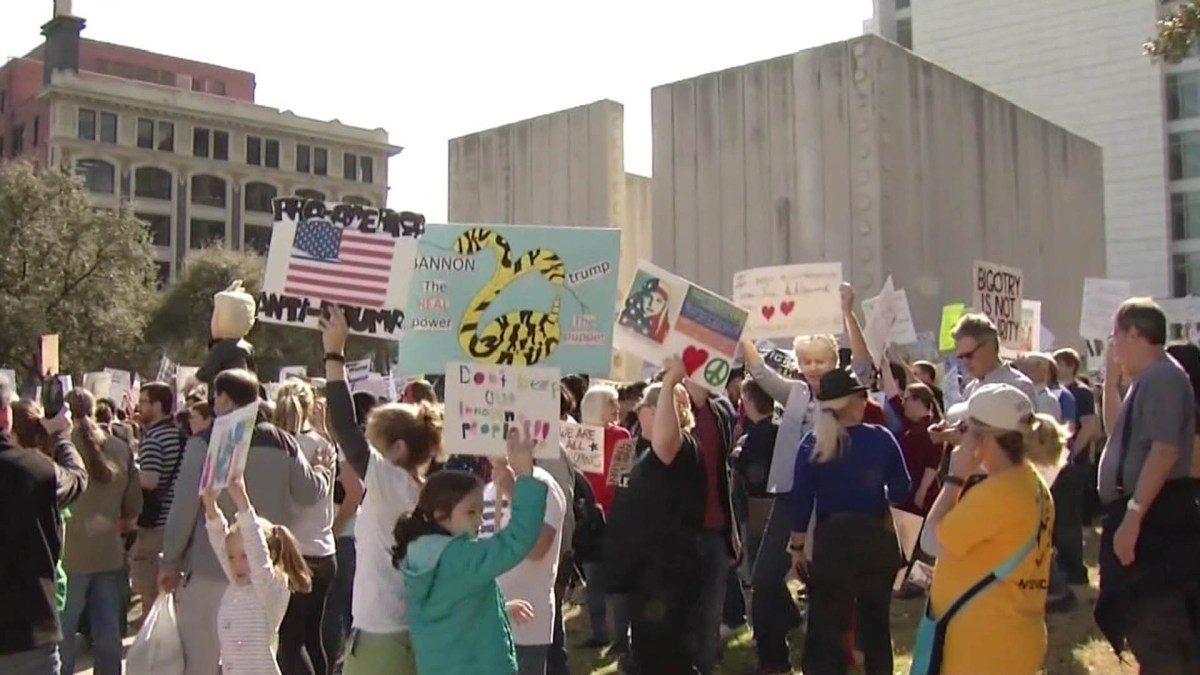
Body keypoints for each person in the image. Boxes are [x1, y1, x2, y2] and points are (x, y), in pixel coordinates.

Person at [160, 369, 332, 675]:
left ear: (223, 398)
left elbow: (185, 507)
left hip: (212, 569)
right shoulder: (284, 441)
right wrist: (323, 468)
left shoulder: (205, 441)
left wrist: (170, 560)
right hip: (261, 565)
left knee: (201, 661)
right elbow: (310, 494)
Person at [319, 305, 442, 675]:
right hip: (400, 632)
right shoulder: (420, 490)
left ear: (398, 449)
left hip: (382, 636)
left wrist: (334, 354)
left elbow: (343, 426)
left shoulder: (390, 481)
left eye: (375, 443)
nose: (366, 450)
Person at [914, 384, 1061, 675]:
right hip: (1012, 634)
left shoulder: (997, 493)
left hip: (982, 645)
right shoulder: (1032, 482)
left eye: (964, 428)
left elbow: (931, 540)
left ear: (984, 437)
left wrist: (955, 478)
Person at [1094, 299, 1200, 671]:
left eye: (1116, 337)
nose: (1114, 347)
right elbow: (1117, 436)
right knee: (1144, 625)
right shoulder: (1146, 381)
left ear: (1135, 334)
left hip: (1156, 521)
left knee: (1157, 625)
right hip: (1141, 513)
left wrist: (1134, 515)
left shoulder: (1163, 378)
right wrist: (1111, 379)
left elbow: (1165, 450)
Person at [789, 369, 911, 675]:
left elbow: (801, 499)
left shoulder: (812, 444)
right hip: (876, 537)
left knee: (829, 627)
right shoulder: (880, 439)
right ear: (855, 402)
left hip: (834, 541)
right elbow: (901, 490)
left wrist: (797, 546)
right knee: (876, 626)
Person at [399, 437, 549, 675]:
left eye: (481, 510)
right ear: (440, 514)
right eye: (470, 511)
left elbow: (450, 610)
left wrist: (499, 609)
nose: (479, 520)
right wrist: (526, 476)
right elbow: (517, 540)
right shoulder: (458, 557)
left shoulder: (422, 553)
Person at [605, 360, 705, 675]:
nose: (637, 413)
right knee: (651, 650)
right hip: (646, 571)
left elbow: (665, 441)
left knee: (666, 655)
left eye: (645, 407)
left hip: (667, 572)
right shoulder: (639, 451)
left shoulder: (678, 446)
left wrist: (669, 382)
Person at [59, 390, 142, 675]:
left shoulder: (59, 449)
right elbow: (133, 506)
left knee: (63, 633)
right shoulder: (120, 448)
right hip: (109, 551)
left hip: (68, 554)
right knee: (108, 631)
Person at [0, 402, 85, 675]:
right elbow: (75, 478)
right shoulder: (36, 471)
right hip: (29, 631)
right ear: (6, 417)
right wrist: (61, 438)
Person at [204, 476, 313, 675]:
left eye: (244, 557)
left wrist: (242, 500)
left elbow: (257, 553)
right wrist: (210, 506)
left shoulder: (270, 589)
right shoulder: (237, 585)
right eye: (232, 557)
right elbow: (220, 543)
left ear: (269, 555)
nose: (237, 564)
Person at [479, 450, 567, 675]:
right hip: (489, 618)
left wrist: (513, 492)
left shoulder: (544, 485)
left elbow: (538, 548)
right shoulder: (488, 490)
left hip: (527, 624)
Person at [275, 380, 339, 675]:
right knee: (312, 636)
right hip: (325, 550)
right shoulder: (323, 444)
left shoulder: (284, 447)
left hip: (295, 554)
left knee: (290, 640)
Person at [577, 383, 632, 651]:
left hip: (616, 517)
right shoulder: (579, 438)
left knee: (619, 582)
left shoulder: (622, 435)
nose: (617, 407)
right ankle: (600, 633)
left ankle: (622, 638)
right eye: (611, 402)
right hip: (589, 517)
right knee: (594, 580)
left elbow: (623, 478)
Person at [130, 381, 185, 613]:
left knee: (151, 594)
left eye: (143, 402)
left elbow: (150, 481)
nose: (138, 407)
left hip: (155, 525)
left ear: (159, 405)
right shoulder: (180, 435)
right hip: (176, 520)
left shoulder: (153, 439)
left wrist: (129, 471)